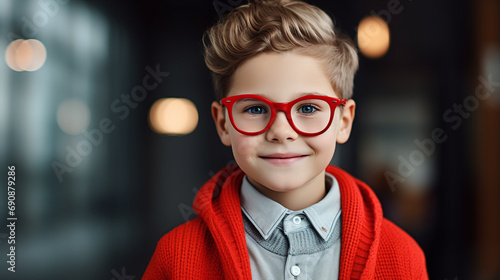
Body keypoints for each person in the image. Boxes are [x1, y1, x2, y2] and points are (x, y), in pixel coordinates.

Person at [142, 0, 428, 279]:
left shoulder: (402, 256)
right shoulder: (175, 257)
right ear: (223, 123)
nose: (281, 131)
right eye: (255, 109)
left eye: (307, 108)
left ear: (344, 121)